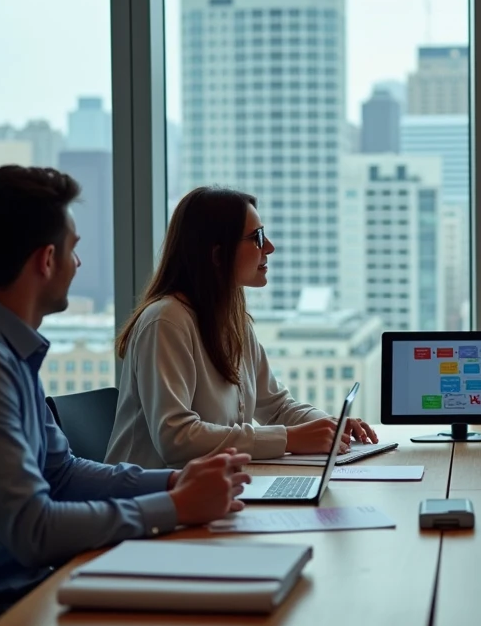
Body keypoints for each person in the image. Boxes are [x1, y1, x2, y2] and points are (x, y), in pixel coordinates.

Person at [0, 167, 250, 626]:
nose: (78, 263)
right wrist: (174, 507)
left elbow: (63, 473)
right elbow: (34, 530)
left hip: (14, 596)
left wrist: (176, 481)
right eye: (73, 248)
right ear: (47, 260)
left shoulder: (0, 350)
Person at [106, 187, 376, 469]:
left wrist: (330, 426)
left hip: (209, 491)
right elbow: (177, 439)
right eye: (257, 237)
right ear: (217, 254)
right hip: (150, 501)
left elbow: (276, 406)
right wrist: (288, 439)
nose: (269, 246)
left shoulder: (233, 321)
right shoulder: (166, 321)